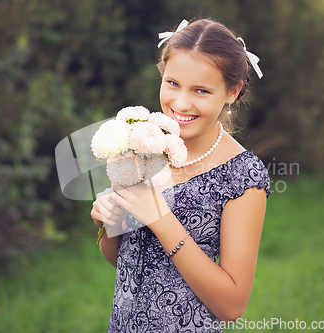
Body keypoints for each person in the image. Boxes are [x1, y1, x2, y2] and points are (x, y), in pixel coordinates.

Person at [91, 18, 271, 332]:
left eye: (201, 90)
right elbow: (127, 264)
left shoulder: (243, 176)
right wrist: (109, 225)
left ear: (233, 91)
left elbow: (231, 306)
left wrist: (160, 219)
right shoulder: (144, 146)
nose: (181, 103)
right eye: (173, 84)